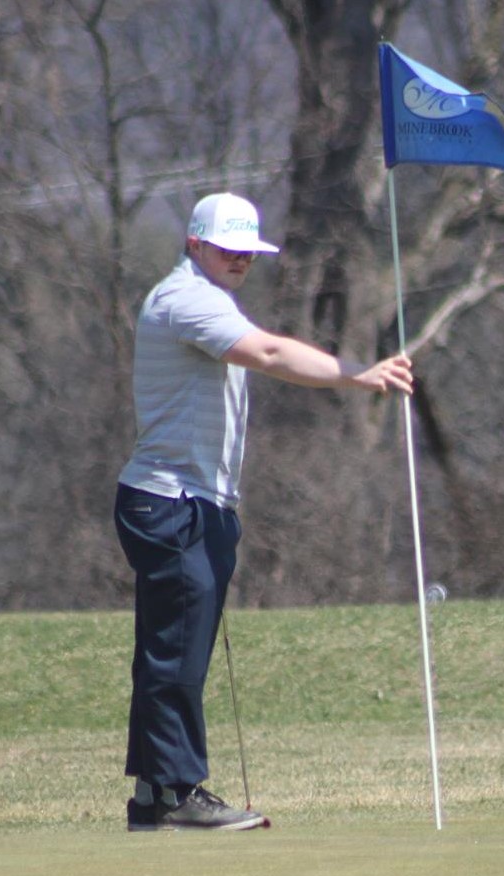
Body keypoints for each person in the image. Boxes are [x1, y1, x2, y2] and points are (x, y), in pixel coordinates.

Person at [116, 193, 414, 831]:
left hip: (198, 502)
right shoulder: (185, 298)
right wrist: (357, 374)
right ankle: (176, 794)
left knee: (175, 649)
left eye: (248, 252)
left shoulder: (212, 299)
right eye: (229, 249)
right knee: (176, 653)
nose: (240, 260)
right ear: (196, 244)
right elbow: (272, 355)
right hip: (169, 501)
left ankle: (151, 794)